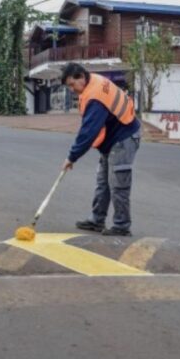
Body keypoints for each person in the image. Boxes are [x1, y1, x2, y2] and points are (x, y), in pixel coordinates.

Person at [61, 62, 141, 236]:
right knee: (103, 182)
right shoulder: (93, 81)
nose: (72, 89)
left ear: (81, 77)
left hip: (124, 137)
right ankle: (96, 220)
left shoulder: (95, 96)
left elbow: (88, 132)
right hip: (113, 139)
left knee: (118, 183)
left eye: (72, 85)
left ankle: (121, 226)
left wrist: (71, 157)